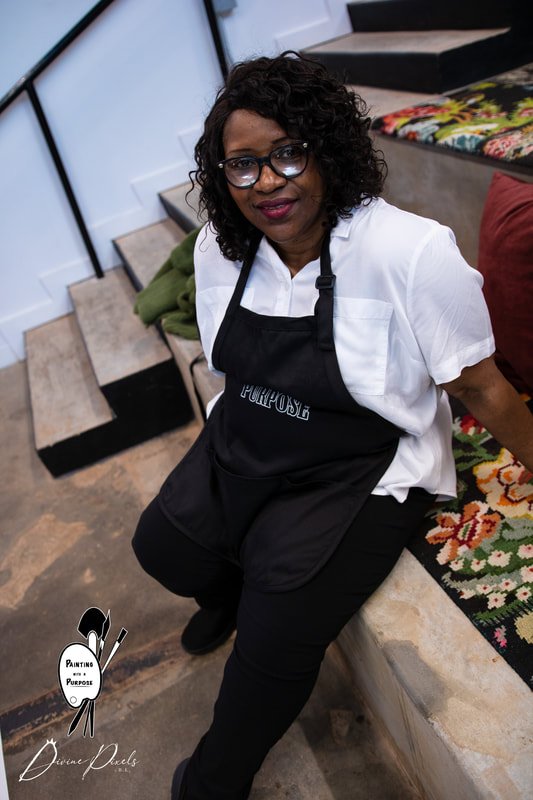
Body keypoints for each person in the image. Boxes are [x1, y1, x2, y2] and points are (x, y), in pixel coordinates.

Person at [132, 52, 533, 800]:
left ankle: (212, 781)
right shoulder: (219, 248)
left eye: (287, 153)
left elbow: (482, 385)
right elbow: (231, 367)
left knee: (276, 635)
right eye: (242, 165)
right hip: (252, 435)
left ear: (326, 150)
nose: (267, 182)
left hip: (361, 467)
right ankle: (223, 590)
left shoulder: (407, 252)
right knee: (161, 548)